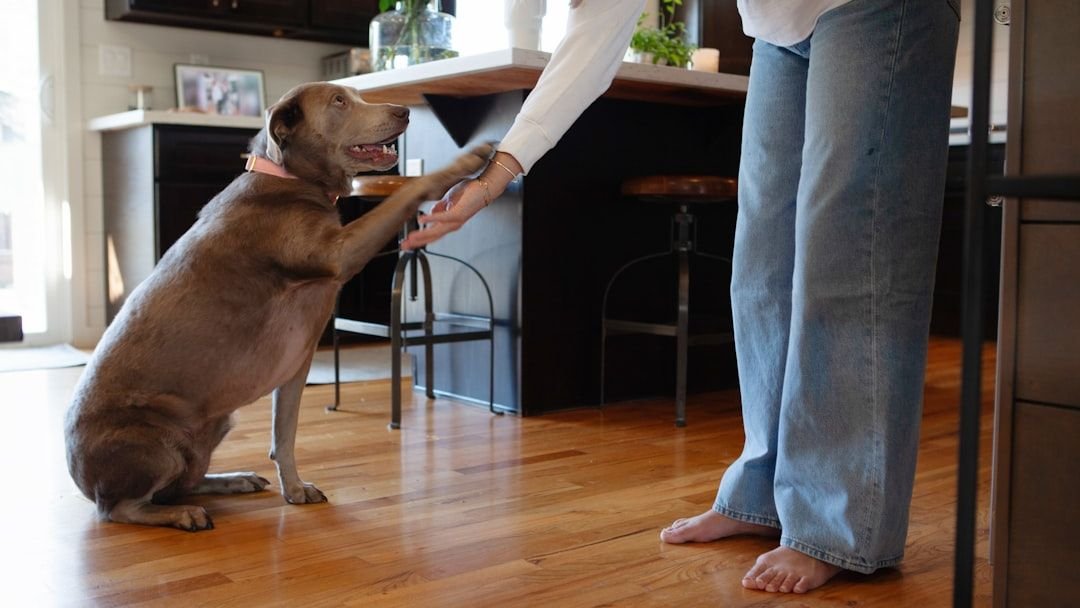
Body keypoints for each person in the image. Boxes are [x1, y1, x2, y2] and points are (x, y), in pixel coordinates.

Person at [404, 0, 960, 595]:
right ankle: (761, 492)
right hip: (778, 31)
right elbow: (593, 42)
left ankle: (840, 522)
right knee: (761, 268)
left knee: (849, 253)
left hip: (876, 8)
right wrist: (493, 179)